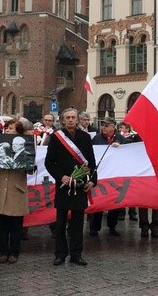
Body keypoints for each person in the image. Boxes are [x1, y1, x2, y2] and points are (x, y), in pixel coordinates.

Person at [45, 108, 97, 266]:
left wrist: (93, 180)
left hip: (80, 186)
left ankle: (76, 254)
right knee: (60, 223)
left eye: (73, 117)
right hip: (63, 186)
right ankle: (60, 254)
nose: (70, 120)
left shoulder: (86, 137)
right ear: (62, 120)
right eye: (67, 117)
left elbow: (92, 162)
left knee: (77, 223)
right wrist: (61, 176)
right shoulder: (56, 138)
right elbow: (49, 163)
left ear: (77, 119)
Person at [0, 118, 30, 264]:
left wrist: (29, 165)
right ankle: (3, 251)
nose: (7, 131)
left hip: (15, 189)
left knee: (16, 224)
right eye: (6, 128)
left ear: (18, 132)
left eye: (11, 128)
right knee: (1, 224)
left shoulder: (25, 147)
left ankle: (14, 252)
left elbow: (30, 169)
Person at [89, 118, 124, 237]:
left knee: (114, 202)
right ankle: (94, 227)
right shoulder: (97, 139)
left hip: (115, 175)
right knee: (99, 201)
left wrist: (121, 146)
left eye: (106, 125)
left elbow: (129, 151)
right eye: (103, 125)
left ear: (113, 127)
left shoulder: (120, 138)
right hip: (101, 175)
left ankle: (112, 226)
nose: (103, 127)